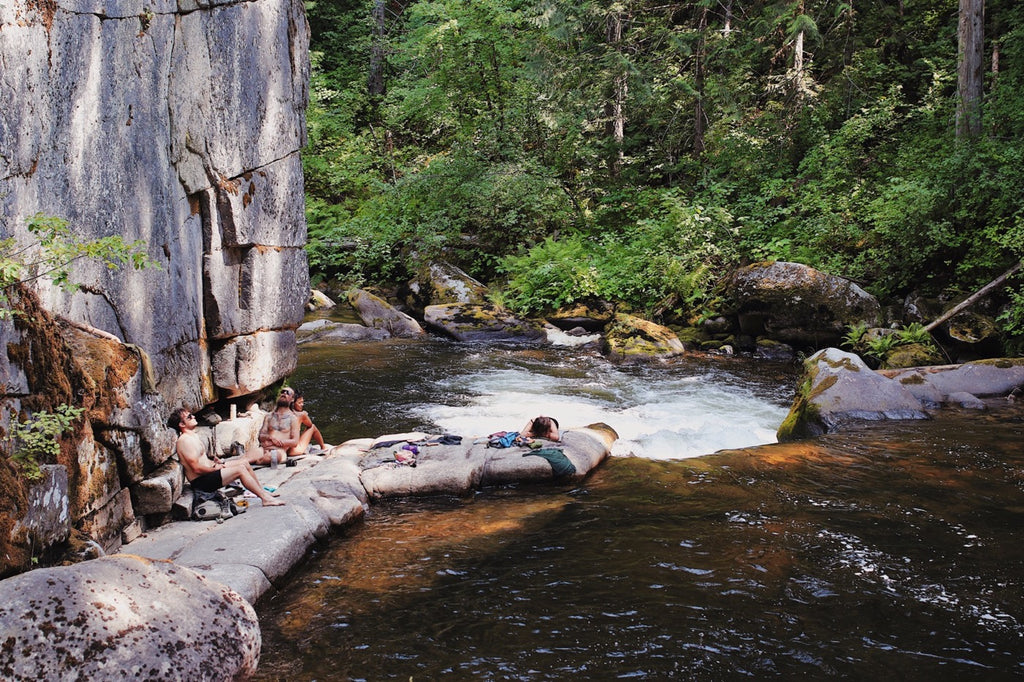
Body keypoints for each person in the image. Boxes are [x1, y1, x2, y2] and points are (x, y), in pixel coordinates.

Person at [167, 407, 284, 507]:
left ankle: (263, 492)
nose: (193, 416)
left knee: (244, 463)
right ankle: (265, 499)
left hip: (209, 472)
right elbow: (196, 468)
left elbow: (201, 460)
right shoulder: (184, 441)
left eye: (191, 415)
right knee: (240, 470)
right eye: (189, 417)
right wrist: (215, 469)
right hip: (202, 482)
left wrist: (215, 462)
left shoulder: (192, 436)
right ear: (182, 424)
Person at [255, 389, 301, 466]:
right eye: (282, 392)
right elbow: (261, 436)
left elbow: (295, 442)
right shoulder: (269, 416)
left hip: (279, 451)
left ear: (292, 399)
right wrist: (270, 438)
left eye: (288, 393)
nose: (284, 394)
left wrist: (278, 442)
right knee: (246, 457)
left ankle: (257, 461)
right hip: (264, 449)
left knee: (272, 457)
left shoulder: (293, 418)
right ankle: (229, 465)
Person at [288, 391, 327, 456]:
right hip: (294, 451)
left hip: (284, 450)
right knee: (313, 427)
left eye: (302, 402)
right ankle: (323, 447)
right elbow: (310, 424)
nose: (302, 404)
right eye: (299, 403)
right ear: (293, 404)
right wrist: (305, 415)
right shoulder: (301, 414)